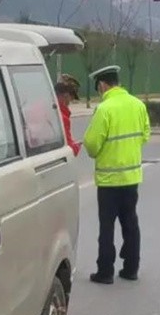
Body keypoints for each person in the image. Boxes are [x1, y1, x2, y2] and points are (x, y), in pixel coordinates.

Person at [83, 65, 151, 284]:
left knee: (107, 227)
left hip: (109, 180)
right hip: (131, 178)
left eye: (98, 88)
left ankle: (105, 272)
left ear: (103, 85)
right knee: (130, 223)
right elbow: (145, 135)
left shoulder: (105, 109)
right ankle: (131, 268)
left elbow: (92, 144)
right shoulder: (138, 105)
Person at [54, 74, 81, 156]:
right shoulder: (61, 118)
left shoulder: (43, 108)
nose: (70, 103)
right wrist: (76, 147)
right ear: (66, 95)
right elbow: (69, 148)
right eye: (71, 99)